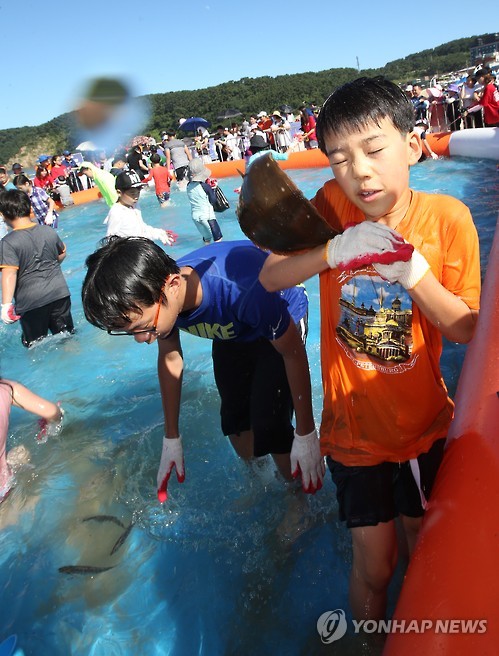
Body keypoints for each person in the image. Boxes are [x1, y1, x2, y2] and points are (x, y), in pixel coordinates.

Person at [259, 76, 481, 622]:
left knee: (420, 537)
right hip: (351, 432)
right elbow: (270, 277)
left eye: (374, 149)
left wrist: (416, 275)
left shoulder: (447, 219)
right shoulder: (333, 207)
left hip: (424, 425)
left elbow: (465, 328)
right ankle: (363, 640)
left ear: (413, 145)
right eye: (339, 159)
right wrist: (333, 250)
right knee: (376, 566)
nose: (359, 171)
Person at [81, 236, 325, 507]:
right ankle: (261, 481)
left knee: (271, 423)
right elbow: (171, 357)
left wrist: (306, 432)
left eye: (144, 328)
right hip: (233, 326)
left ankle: (296, 496)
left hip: (278, 310)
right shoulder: (158, 297)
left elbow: (292, 354)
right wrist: (171, 436)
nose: (142, 339)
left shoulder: (240, 290)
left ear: (173, 286)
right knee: (235, 421)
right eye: (131, 332)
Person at [0, 189, 75, 347]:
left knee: (35, 345)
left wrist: (6, 305)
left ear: (4, 215)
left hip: (31, 302)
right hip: (59, 294)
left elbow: (9, 273)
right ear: (29, 208)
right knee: (67, 338)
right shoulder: (48, 231)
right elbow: (62, 252)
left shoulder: (8, 243)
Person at [1, 376, 64, 503]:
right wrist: (47, 427)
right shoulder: (5, 389)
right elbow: (52, 411)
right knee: (21, 455)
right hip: (5, 487)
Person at [103, 170, 177, 246]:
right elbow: (110, 239)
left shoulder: (135, 206)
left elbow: (141, 228)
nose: (136, 197)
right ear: (119, 192)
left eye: (138, 192)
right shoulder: (116, 212)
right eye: (132, 193)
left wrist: (159, 233)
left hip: (139, 245)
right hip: (128, 249)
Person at [185, 159, 223, 244]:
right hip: (207, 217)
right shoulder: (205, 187)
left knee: (207, 239)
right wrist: (214, 189)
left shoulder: (188, 186)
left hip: (195, 217)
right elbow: (213, 201)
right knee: (218, 240)